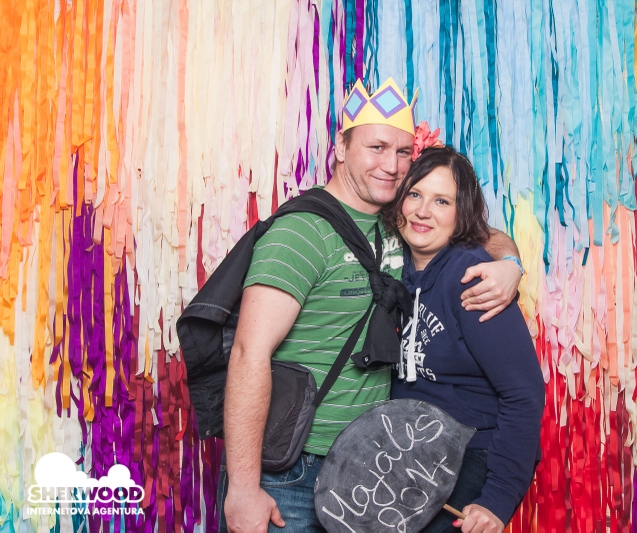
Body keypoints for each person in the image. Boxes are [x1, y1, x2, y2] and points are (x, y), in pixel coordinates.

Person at [220, 78, 525, 533]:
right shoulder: (301, 232)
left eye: (403, 152)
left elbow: (473, 229)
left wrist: (510, 264)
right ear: (341, 148)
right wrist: (244, 488)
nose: (392, 165)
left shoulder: (397, 222)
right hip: (290, 474)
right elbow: (248, 354)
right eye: (376, 147)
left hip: (367, 474)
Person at [384, 146, 545, 533]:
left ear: (461, 214)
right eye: (415, 194)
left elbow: (524, 393)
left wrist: (497, 500)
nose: (423, 211)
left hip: (469, 454)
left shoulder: (472, 279)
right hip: (408, 454)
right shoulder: (393, 265)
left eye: (442, 201)